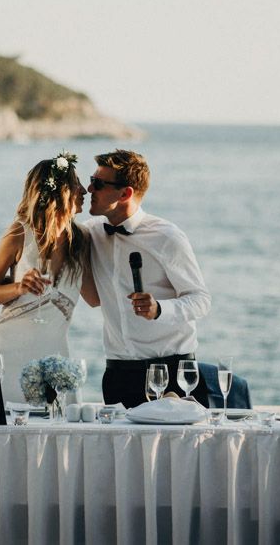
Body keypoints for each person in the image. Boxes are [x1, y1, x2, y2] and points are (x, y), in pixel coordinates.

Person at [84, 149, 211, 408]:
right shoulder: (89, 234)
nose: (89, 189)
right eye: (90, 180)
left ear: (125, 193)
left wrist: (159, 308)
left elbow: (201, 300)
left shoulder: (167, 237)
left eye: (98, 183)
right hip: (118, 375)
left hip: (173, 373)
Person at [0, 151, 99, 403]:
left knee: (61, 430)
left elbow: (94, 298)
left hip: (55, 353)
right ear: (60, 191)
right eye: (76, 184)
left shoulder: (83, 239)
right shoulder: (19, 233)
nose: (84, 191)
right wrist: (19, 287)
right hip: (9, 350)